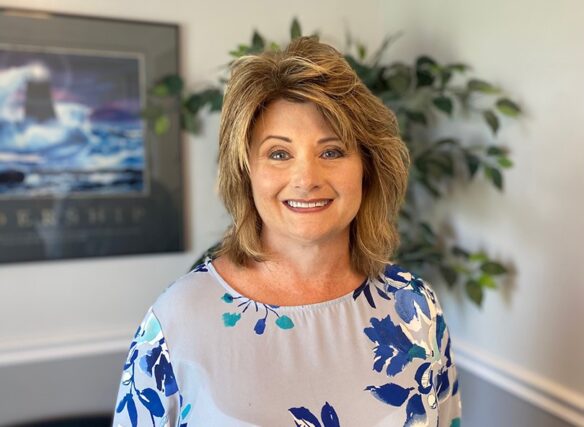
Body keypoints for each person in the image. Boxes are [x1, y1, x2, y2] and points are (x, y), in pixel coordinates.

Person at [113, 36, 461, 426]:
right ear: (246, 174)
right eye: (279, 154)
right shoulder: (177, 321)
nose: (306, 178)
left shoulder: (415, 308)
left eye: (331, 151)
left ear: (367, 166)